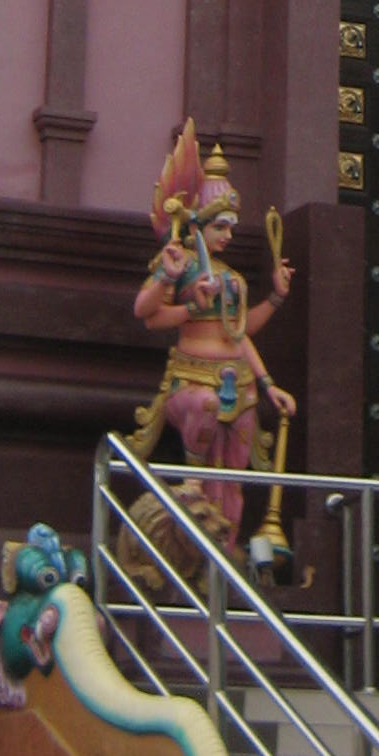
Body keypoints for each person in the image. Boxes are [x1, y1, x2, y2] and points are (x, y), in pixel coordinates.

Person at [130, 122, 293, 547]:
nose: (228, 235)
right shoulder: (181, 264)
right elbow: (146, 313)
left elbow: (240, 334)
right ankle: (192, 523)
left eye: (231, 227)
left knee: (234, 478)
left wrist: (275, 300)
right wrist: (182, 294)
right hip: (193, 379)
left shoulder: (232, 278)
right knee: (203, 429)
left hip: (236, 381)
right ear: (199, 225)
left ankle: (226, 554)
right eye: (220, 226)